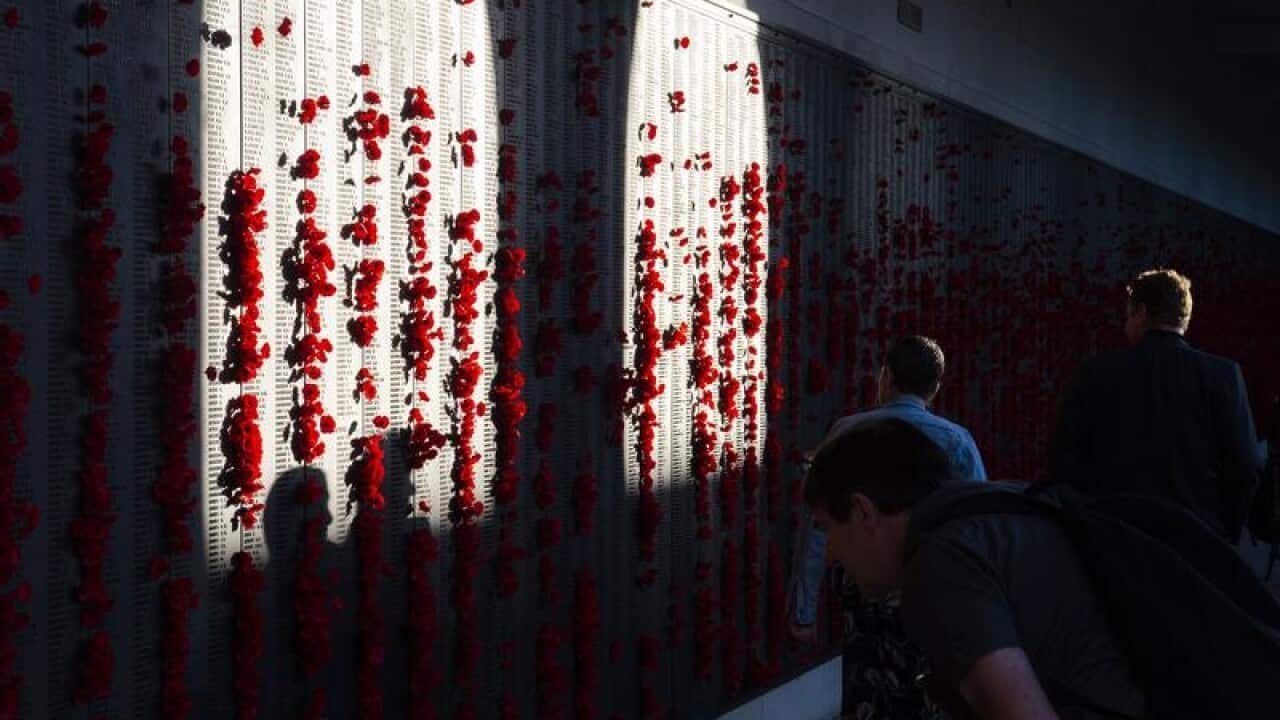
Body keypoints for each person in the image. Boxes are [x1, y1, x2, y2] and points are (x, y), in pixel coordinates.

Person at [806, 418, 1147, 720]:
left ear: (862, 512)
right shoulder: (998, 509)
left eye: (827, 529)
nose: (830, 555)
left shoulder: (941, 567)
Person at [789, 336, 986, 719]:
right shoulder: (957, 442)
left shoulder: (847, 432)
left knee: (867, 693)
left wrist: (803, 607)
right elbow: (976, 527)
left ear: (887, 377)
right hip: (932, 594)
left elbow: (818, 527)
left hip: (862, 596)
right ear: (934, 387)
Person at [1049, 268, 1265, 542]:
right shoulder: (1223, 376)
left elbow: (1063, 461)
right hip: (1197, 538)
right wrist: (1225, 532)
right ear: (1183, 317)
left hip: (1112, 535)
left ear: (1141, 312)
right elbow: (1247, 466)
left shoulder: (1097, 372)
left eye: (1128, 315)